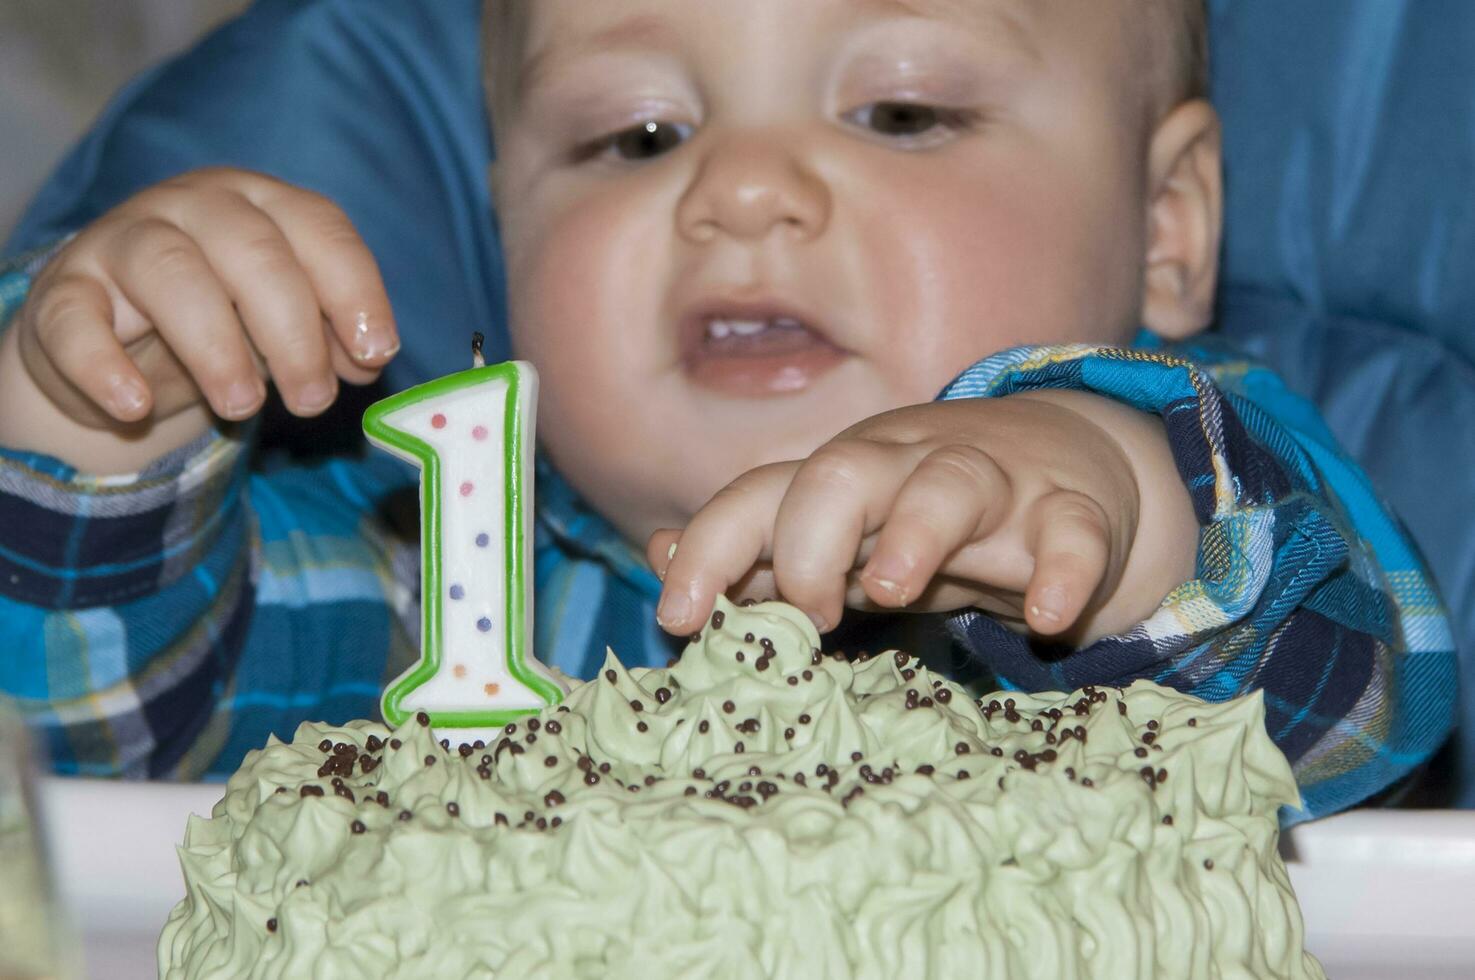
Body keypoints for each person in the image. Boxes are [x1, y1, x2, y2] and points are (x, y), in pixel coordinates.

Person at [0, 0, 1454, 821]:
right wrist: (101, 413)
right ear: (505, 228)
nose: (740, 190)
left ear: (1167, 225)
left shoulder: (1226, 485)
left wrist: (1102, 500)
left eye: (901, 113)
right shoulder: (431, 589)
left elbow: (1337, 704)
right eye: (638, 136)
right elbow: (111, 741)